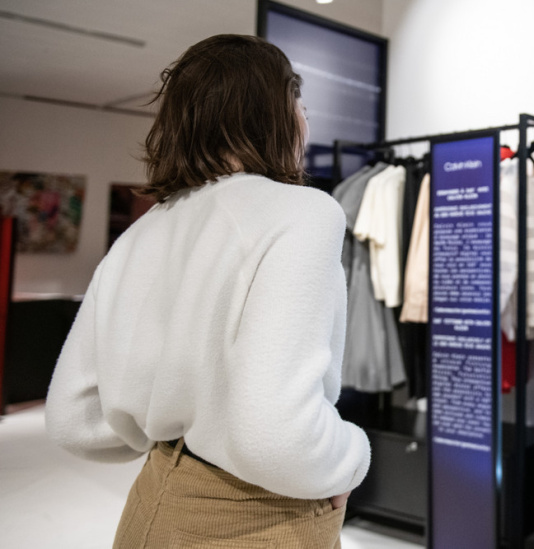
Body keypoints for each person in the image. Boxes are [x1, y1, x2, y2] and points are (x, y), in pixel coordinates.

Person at [45, 35, 370, 548]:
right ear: (272, 112)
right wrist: (348, 459)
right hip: (255, 517)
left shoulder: (144, 231)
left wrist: (172, 425)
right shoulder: (302, 214)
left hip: (151, 505)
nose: (305, 118)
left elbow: (73, 418)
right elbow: (274, 437)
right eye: (298, 100)